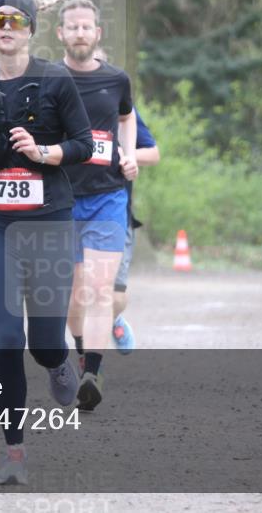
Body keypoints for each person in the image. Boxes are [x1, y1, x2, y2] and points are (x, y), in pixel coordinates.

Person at [0, 0, 96, 485]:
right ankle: (14, 454)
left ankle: (59, 362)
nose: (6, 28)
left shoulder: (56, 81)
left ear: (31, 30)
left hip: (50, 217)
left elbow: (82, 144)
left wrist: (43, 153)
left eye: (15, 21)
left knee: (43, 340)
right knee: (7, 336)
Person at [56, 0, 135, 412]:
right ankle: (84, 350)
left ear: (97, 33)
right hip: (63, 199)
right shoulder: (49, 79)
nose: (80, 33)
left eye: (87, 27)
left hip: (107, 197)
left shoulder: (117, 79)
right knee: (74, 298)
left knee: (100, 291)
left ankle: (93, 373)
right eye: (73, 27)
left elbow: (126, 118)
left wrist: (130, 154)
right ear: (61, 34)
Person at [110, 107, 160, 352]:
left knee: (115, 297)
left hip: (118, 213)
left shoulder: (119, 104)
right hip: (74, 212)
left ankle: (113, 319)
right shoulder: (61, 97)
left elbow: (153, 154)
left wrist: (125, 154)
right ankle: (87, 361)